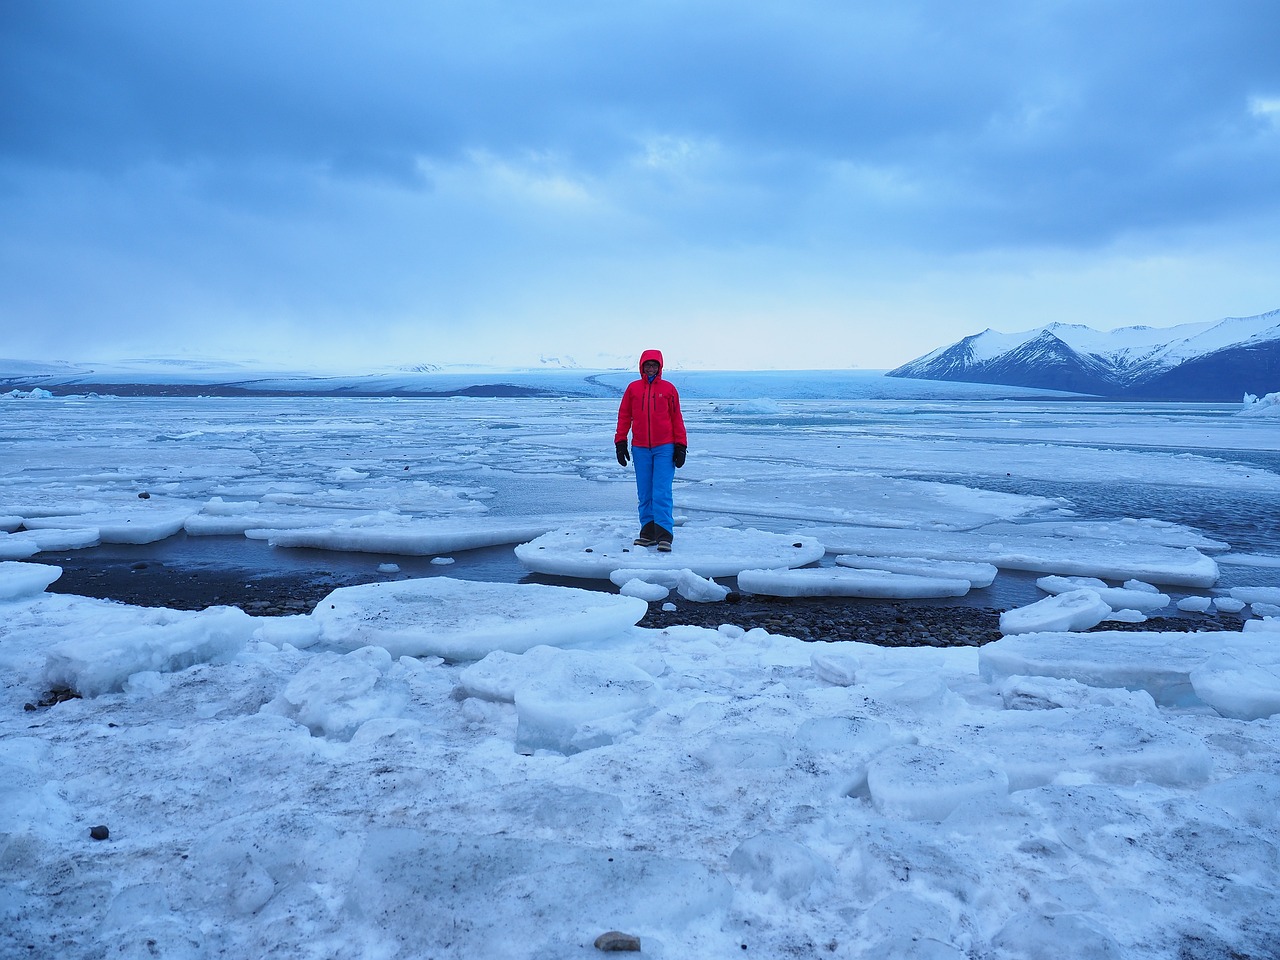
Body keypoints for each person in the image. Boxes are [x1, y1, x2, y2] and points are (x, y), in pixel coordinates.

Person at [615, 349, 687, 552]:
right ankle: (647, 533)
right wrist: (620, 442)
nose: (651, 368)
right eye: (647, 365)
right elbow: (624, 416)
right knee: (645, 492)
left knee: (661, 491)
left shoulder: (669, 389)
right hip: (640, 448)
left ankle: (664, 535)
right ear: (641, 366)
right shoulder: (633, 389)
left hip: (665, 447)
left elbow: (676, 418)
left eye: (654, 365)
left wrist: (681, 446)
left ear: (660, 367)